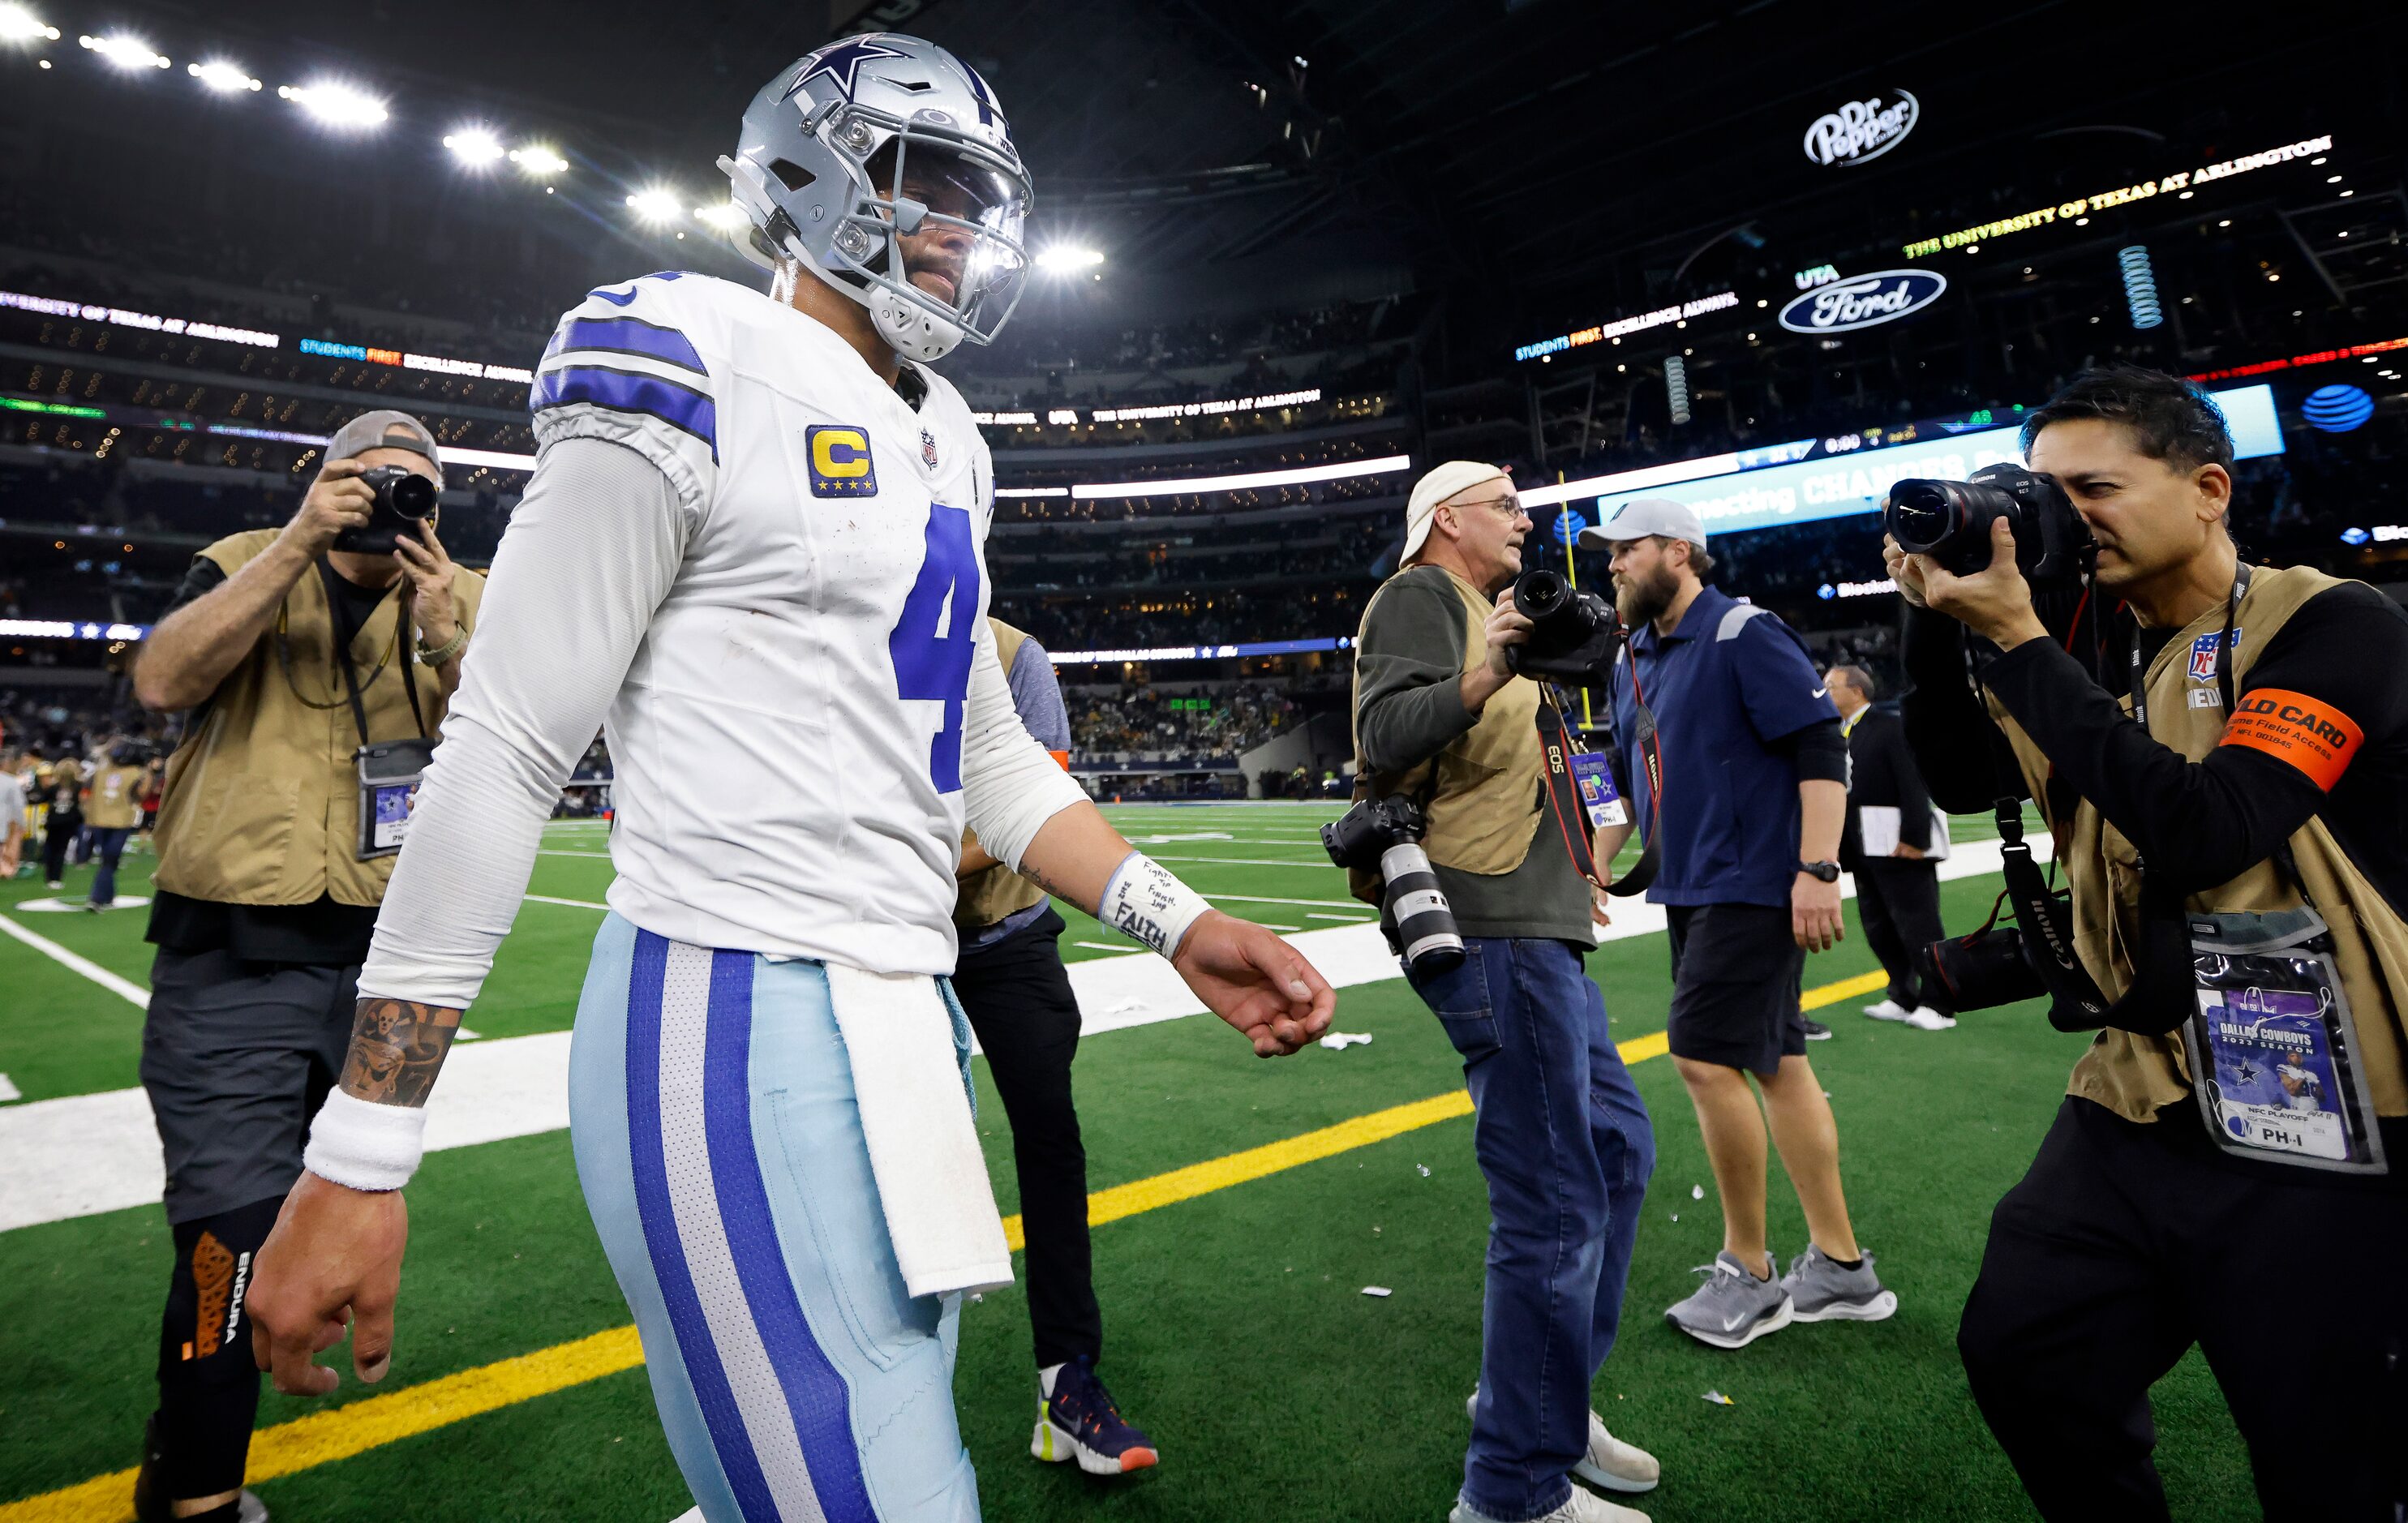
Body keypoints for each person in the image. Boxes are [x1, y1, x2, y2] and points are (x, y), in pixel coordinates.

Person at [243, 38, 1334, 1523]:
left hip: (909, 1009)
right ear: (805, 181)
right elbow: (502, 743)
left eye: (977, 198)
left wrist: (1174, 918)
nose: (960, 230)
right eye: (924, 184)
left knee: (845, 1451)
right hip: (727, 1004)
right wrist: (364, 1152)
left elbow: (982, 750)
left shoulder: (948, 437)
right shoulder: (685, 352)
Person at [1889, 363, 2408, 1520]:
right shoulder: (2092, 643)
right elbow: (1968, 777)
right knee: (2027, 1352)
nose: (2060, 518)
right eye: (2040, 492)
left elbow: (2209, 825)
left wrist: (2021, 644)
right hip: (2139, 1089)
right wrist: (1934, 629)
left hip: (2325, 1105)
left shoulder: (2330, 619)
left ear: (2207, 488)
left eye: (2094, 488)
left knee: (2326, 1454)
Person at [124, 408, 481, 1523]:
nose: (391, 500)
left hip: (383, 962)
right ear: (323, 479)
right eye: (371, 480)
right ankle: (199, 1499)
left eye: (415, 484)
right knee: (228, 1238)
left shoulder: (460, 594)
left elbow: (515, 756)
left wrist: (446, 635)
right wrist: (291, 544)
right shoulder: (242, 561)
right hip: (230, 949)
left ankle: (175, 1453)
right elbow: (162, 681)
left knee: (331, 1216)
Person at [1354, 460, 1659, 1523]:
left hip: (1541, 919)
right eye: (1507, 507)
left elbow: (1556, 751)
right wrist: (1485, 670)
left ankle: (1545, 1399)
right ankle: (1511, 1489)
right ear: (1447, 518)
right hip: (1484, 922)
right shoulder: (1418, 597)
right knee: (1554, 1198)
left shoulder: (1495, 612)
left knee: (1618, 1153)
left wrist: (1592, 842)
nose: (1528, 523)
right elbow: (1383, 736)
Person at [1582, 499, 1895, 1350]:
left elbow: (1818, 746)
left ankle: (1750, 1274)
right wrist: (1596, 861)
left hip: (1753, 883)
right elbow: (1612, 772)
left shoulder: (1740, 632)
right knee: (1777, 1063)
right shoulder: (1631, 655)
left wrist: (1818, 868)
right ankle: (1839, 1267)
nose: (1610, 564)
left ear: (1678, 552)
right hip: (1692, 886)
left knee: (1702, 1057)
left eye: (1625, 549)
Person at [951, 616, 1156, 1476]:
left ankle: (1067, 1383)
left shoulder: (1011, 654)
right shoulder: (833, 619)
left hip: (1002, 933)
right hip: (876, 944)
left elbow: (1032, 809)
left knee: (1050, 1145)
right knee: (876, 1155)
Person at [1822, 665, 1953, 1031]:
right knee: (1878, 926)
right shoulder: (1841, 733)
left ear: (1857, 691)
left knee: (1918, 924)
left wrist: (1915, 839)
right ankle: (1902, 994)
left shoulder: (1889, 726)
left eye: (1830, 686)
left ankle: (1939, 1003)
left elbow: (1913, 784)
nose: (1825, 693)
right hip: (1861, 849)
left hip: (1898, 845)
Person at [83, 740, 148, 911]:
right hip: (120, 822)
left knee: (108, 860)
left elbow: (86, 794)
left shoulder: (100, 771)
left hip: (99, 820)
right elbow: (142, 794)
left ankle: (104, 896)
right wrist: (149, 771)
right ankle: (97, 898)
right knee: (109, 860)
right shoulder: (135, 772)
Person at [39, 747, 84, 890]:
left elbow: (43, 799)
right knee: (60, 850)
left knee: (50, 848)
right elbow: (81, 803)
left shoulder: (53, 787)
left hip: (52, 821)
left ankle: (49, 877)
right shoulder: (78, 786)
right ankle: (56, 878)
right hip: (68, 822)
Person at [0, 744, 26, 880]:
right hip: (4, 820)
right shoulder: (10, 782)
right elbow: (18, 805)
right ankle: (5, 870)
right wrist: (21, 822)